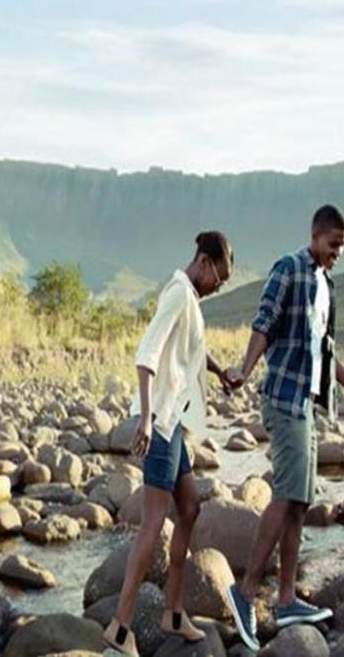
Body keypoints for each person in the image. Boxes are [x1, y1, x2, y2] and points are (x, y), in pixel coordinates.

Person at [223, 204, 344, 651]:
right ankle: (245, 592)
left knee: (301, 501)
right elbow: (263, 324)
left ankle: (286, 599)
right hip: (282, 399)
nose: (337, 254)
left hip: (307, 403)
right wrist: (246, 370)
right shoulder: (289, 269)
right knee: (287, 493)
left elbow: (326, 351)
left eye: (343, 247)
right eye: (333, 245)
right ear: (315, 236)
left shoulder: (327, 285)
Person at [104, 231, 241, 656]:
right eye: (218, 277)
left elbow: (192, 354)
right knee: (152, 521)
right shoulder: (178, 293)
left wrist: (219, 373)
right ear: (204, 261)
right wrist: (145, 418)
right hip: (162, 423)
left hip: (176, 425)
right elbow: (147, 354)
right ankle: (120, 628)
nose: (217, 286)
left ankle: (173, 612)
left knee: (191, 508)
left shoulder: (191, 301)